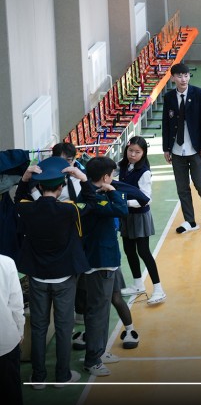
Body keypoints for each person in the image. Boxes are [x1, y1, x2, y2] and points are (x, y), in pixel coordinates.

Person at [15, 157, 89, 388]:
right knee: (64, 326)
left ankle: (38, 377)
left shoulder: (27, 208)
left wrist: (24, 180)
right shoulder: (69, 209)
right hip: (64, 277)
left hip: (37, 276)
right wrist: (83, 179)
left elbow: (18, 200)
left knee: (38, 327)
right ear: (61, 187)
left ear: (38, 186)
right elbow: (88, 205)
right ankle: (62, 375)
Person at [78, 156, 129, 377]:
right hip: (100, 262)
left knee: (103, 309)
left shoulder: (91, 194)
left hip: (106, 260)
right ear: (106, 177)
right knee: (97, 312)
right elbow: (122, 209)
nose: (114, 178)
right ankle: (92, 359)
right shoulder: (95, 199)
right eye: (112, 175)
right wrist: (112, 191)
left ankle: (100, 351)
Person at [161, 62, 201, 234]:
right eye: (179, 76)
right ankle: (190, 220)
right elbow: (166, 123)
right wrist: (166, 148)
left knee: (200, 182)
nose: (183, 79)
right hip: (176, 149)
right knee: (182, 187)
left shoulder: (199, 94)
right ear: (173, 78)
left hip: (195, 147)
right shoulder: (169, 97)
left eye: (186, 75)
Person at [117, 136, 165, 304]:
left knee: (143, 252)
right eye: (130, 151)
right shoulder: (123, 165)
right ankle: (138, 284)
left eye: (137, 152)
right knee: (129, 250)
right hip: (127, 215)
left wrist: (125, 203)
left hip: (139, 216)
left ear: (143, 153)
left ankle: (158, 289)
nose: (133, 155)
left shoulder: (144, 172)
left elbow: (147, 199)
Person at [0, 252, 23, 405]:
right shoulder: (6, 263)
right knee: (10, 396)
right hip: (5, 341)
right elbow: (16, 304)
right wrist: (19, 330)